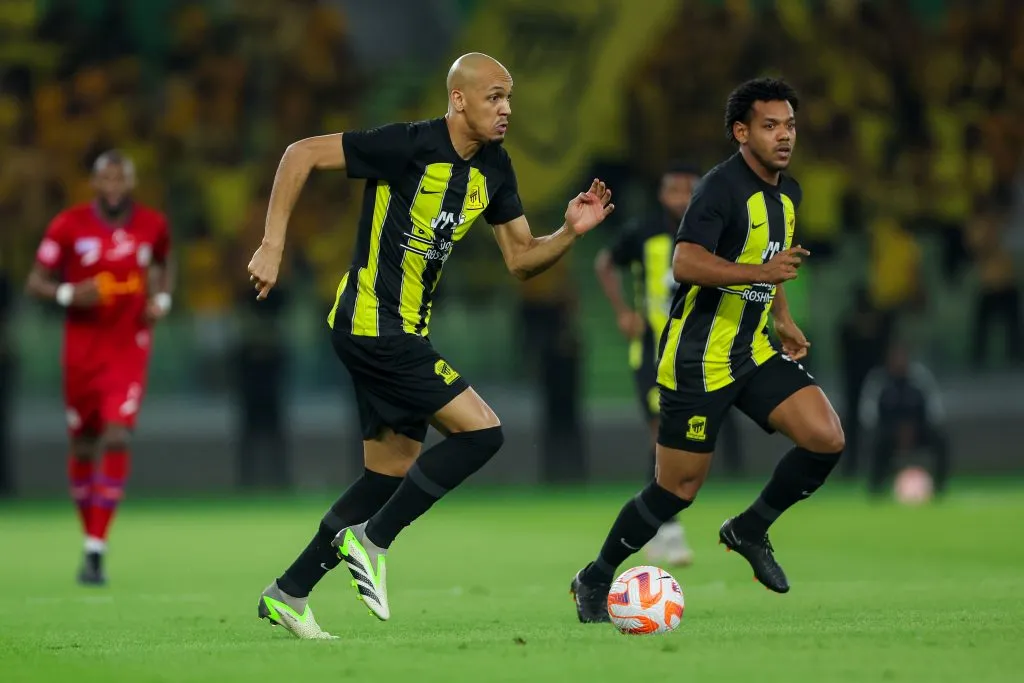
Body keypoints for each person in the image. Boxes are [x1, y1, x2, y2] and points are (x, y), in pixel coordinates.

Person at [247, 52, 615, 639]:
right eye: (495, 97)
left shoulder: (495, 169)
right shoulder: (408, 145)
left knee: (386, 474)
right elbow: (300, 153)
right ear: (459, 99)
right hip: (373, 322)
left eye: (510, 97)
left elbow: (521, 260)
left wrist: (569, 232)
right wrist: (273, 243)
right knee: (483, 432)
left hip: (401, 330)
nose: (507, 109)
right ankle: (372, 541)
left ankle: (288, 592)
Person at [571, 77, 845, 623]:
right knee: (677, 490)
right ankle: (595, 577)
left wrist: (783, 317)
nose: (784, 136)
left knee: (825, 438)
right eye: (770, 126)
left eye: (789, 125)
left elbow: (776, 261)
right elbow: (686, 263)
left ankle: (750, 528)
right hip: (697, 358)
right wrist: (759, 273)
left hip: (753, 350)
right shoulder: (718, 189)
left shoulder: (788, 192)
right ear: (742, 132)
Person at [25, 151, 174, 585]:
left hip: (128, 347)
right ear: (95, 183)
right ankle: (90, 539)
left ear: (130, 182)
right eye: (105, 178)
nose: (113, 186)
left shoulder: (152, 225)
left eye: (120, 178)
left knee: (115, 434)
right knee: (84, 445)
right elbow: (36, 281)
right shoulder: (68, 225)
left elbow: (165, 261)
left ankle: (95, 548)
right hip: (82, 351)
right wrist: (70, 295)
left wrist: (161, 299)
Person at [594, 161, 702, 566]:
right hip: (653, 353)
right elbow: (604, 263)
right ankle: (667, 526)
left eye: (689, 190)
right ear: (662, 194)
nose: (682, 199)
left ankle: (654, 522)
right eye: (675, 190)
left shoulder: (710, 231)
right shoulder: (643, 232)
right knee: (664, 435)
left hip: (695, 353)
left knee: (679, 440)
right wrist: (623, 311)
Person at [859, 342, 949, 496]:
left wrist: (919, 426)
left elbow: (935, 408)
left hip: (919, 429)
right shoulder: (878, 380)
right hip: (889, 431)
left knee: (941, 440)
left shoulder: (921, 377)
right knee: (878, 443)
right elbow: (868, 413)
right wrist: (889, 429)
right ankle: (876, 488)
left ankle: (939, 486)